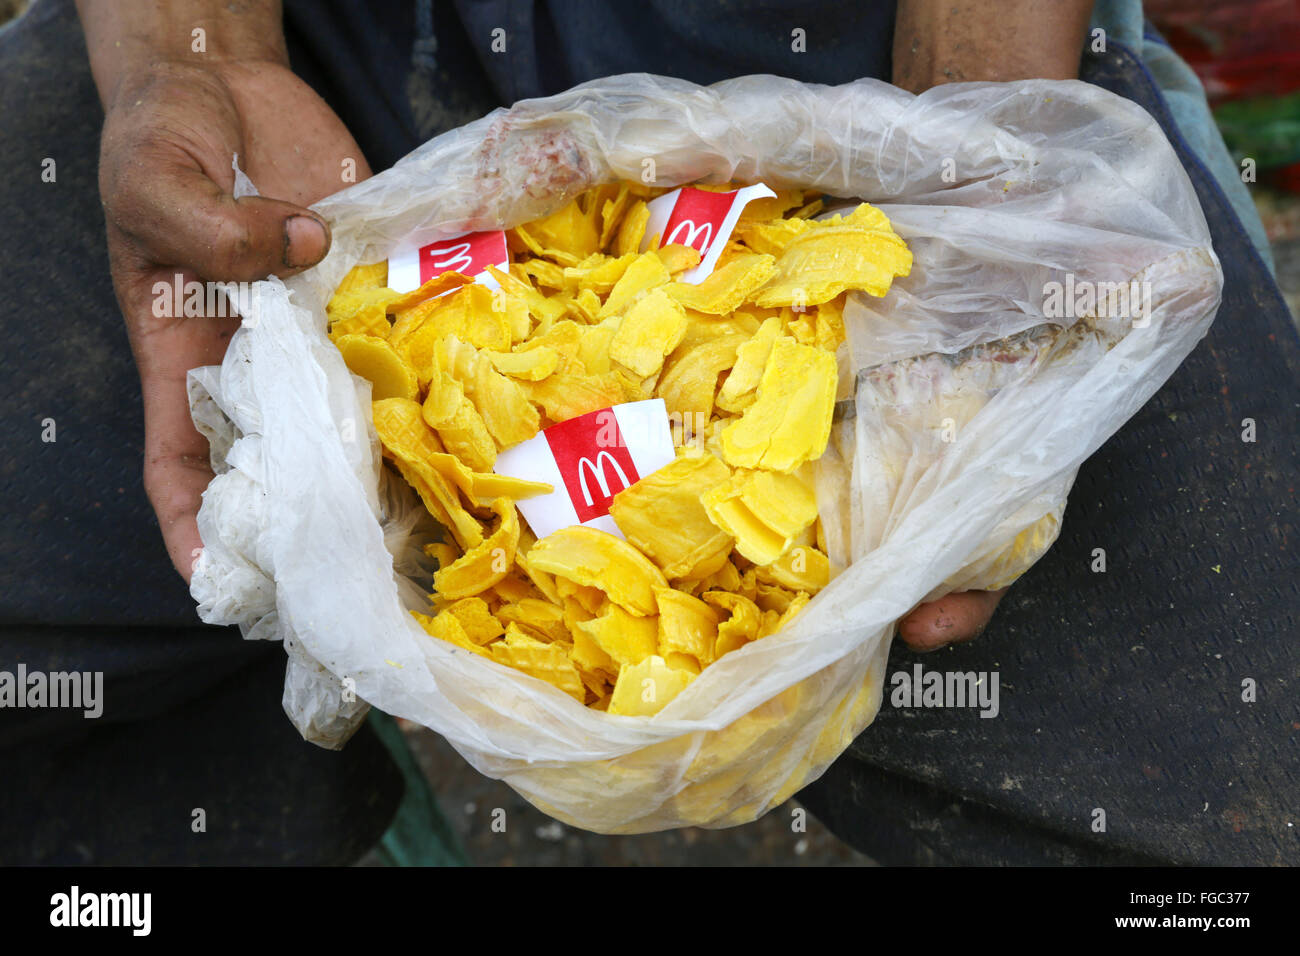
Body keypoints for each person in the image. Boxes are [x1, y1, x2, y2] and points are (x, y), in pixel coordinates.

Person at [0, 0, 1293, 864]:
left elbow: (979, 156)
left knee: (1230, 798)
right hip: (304, 61)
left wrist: (973, 144)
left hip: (878, 58)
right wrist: (192, 51)